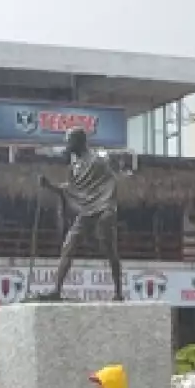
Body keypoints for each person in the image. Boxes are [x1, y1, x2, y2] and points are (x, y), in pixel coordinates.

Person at [38, 127, 121, 301]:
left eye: (69, 141)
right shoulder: (75, 166)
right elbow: (71, 189)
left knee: (110, 250)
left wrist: (109, 209)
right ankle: (56, 290)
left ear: (79, 142)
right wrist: (50, 186)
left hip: (102, 209)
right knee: (68, 246)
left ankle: (118, 291)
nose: (67, 145)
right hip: (86, 211)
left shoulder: (98, 161)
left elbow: (110, 183)